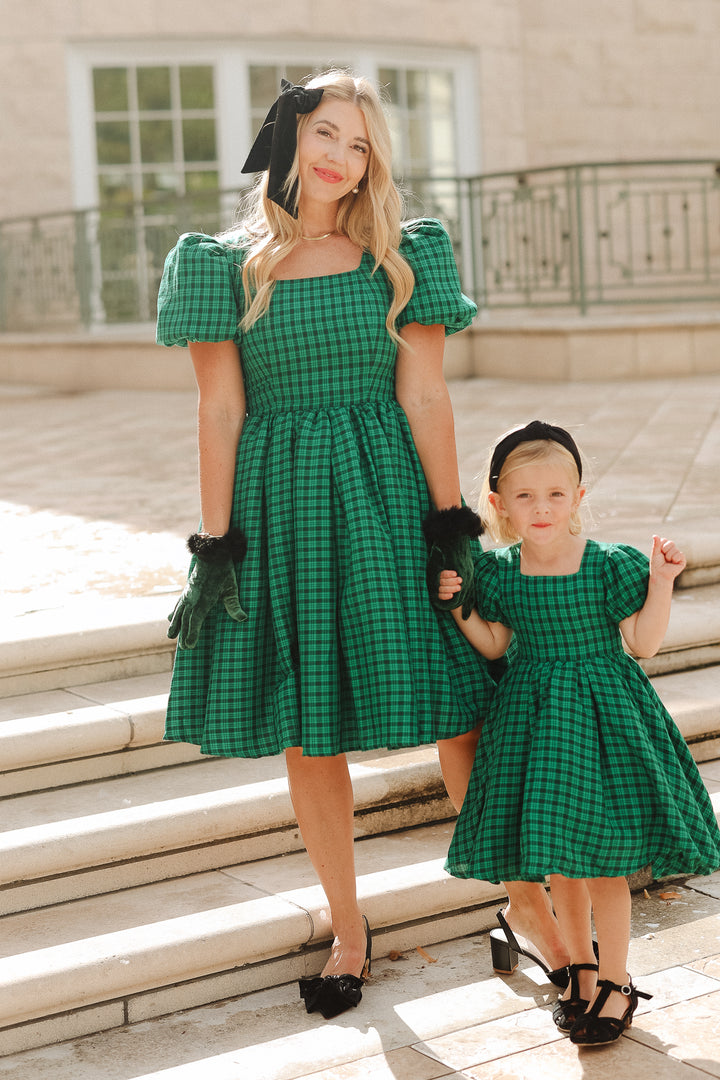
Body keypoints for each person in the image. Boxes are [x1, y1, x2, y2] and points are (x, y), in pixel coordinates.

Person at [155, 70, 565, 1021]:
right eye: (327, 135)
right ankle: (349, 926)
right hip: (283, 506)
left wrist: (450, 524)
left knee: (462, 699)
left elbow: (425, 396)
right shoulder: (221, 266)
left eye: (362, 143)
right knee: (312, 724)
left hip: (387, 499)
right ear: (286, 140)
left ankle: (529, 902)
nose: (344, 158)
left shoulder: (403, 255)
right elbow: (219, 410)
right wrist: (216, 546)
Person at [439, 420, 720, 1045]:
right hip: (534, 726)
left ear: (579, 497)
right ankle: (581, 972)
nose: (541, 509)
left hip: (604, 721)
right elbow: (494, 641)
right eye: (525, 497)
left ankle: (618, 982)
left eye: (556, 495)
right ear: (499, 504)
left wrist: (663, 583)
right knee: (560, 862)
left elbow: (642, 644)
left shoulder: (607, 566)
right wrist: (458, 606)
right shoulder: (501, 574)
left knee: (604, 864)